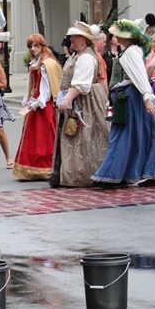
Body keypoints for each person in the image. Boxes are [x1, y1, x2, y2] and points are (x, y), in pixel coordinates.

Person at [90, 20, 155, 189]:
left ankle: (111, 174)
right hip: (130, 96)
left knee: (123, 134)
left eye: (118, 34)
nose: (115, 37)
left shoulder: (131, 52)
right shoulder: (131, 51)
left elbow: (139, 76)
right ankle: (131, 173)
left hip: (131, 97)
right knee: (135, 134)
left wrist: (146, 97)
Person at [50, 21, 110, 188]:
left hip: (85, 103)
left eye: (74, 37)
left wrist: (67, 99)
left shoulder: (86, 57)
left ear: (83, 39)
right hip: (77, 100)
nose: (70, 40)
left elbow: (81, 84)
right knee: (74, 138)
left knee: (85, 137)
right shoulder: (78, 55)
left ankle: (84, 174)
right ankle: (68, 173)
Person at [13, 35, 61, 180]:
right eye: (31, 46)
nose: (33, 49)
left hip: (42, 106)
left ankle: (46, 168)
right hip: (34, 104)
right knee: (32, 137)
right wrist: (26, 101)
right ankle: (32, 168)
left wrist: (37, 102)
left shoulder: (46, 64)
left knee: (44, 136)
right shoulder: (34, 63)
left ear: (42, 46)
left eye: (36, 46)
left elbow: (47, 89)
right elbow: (30, 84)